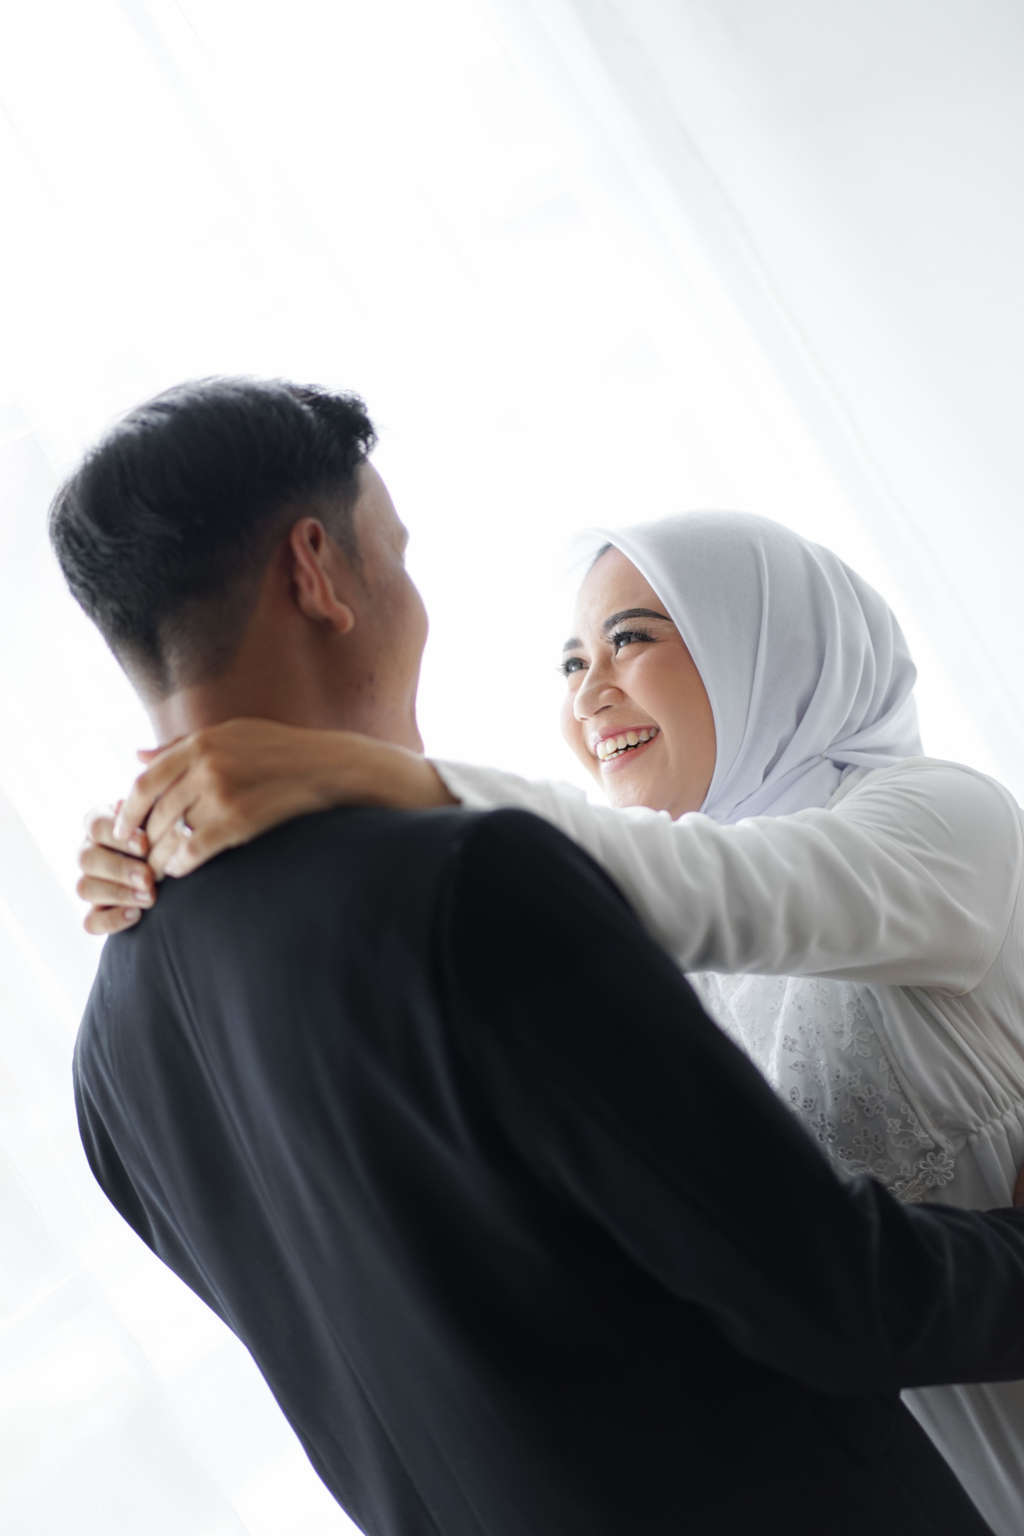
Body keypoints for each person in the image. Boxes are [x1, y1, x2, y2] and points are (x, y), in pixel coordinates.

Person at [61, 375, 1024, 1535]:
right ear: (317, 570)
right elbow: (830, 1296)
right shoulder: (474, 885)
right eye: (398, 556)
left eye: (629, 640)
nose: (590, 689)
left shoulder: (108, 1054)